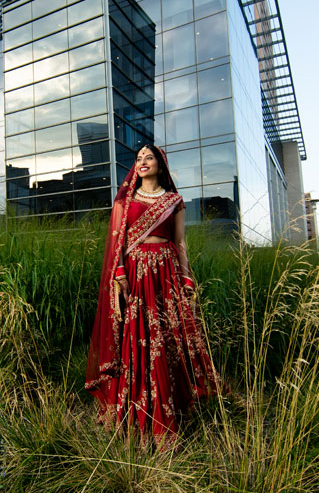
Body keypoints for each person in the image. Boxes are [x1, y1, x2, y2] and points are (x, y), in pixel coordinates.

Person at [85, 144, 221, 441]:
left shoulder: (174, 201)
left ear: (161, 163)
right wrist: (119, 272)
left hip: (167, 272)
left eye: (149, 158)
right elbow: (117, 241)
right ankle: (135, 413)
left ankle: (172, 409)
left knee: (169, 337)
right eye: (138, 159)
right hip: (135, 273)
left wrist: (186, 278)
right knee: (138, 336)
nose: (142, 162)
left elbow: (181, 242)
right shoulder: (126, 200)